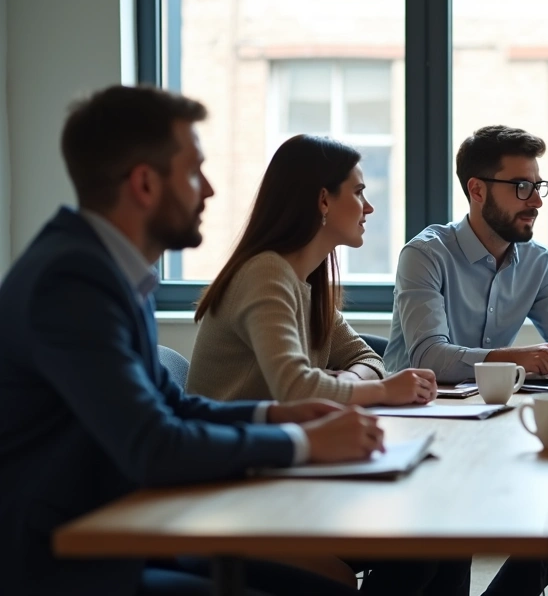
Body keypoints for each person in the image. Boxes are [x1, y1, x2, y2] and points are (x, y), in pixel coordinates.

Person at [0, 85, 385, 595]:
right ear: (144, 184)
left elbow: (173, 405)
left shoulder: (110, 270)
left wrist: (277, 415)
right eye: (193, 172)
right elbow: (153, 445)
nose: (209, 190)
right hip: (66, 562)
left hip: (126, 531)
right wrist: (303, 441)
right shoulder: (71, 282)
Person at [386, 125, 548, 595]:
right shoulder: (425, 255)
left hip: (490, 420)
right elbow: (429, 356)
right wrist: (519, 359)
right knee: (436, 555)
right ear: (476, 189)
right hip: (416, 423)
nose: (536, 200)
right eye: (522, 187)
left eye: (539, 185)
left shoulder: (536, 262)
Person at [188, 134, 437, 408]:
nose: (369, 207)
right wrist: (383, 390)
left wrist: (351, 380)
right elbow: (295, 389)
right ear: (324, 201)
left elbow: (367, 358)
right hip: (232, 435)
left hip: (274, 432)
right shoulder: (265, 274)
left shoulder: (304, 283)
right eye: (358, 192)